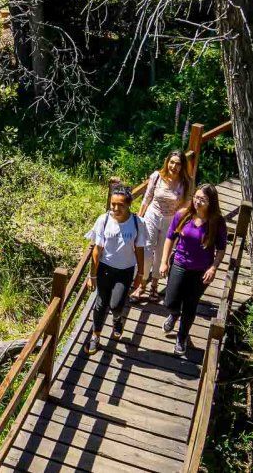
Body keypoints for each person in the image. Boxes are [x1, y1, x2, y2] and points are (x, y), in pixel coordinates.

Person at [160, 183, 227, 356]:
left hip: (201, 270)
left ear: (211, 202)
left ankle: (182, 337)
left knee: (190, 305)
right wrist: (164, 261)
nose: (198, 202)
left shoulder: (217, 222)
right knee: (170, 301)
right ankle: (174, 314)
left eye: (202, 199)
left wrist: (213, 267)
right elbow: (169, 237)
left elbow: (221, 249)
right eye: (196, 197)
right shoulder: (183, 215)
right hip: (180, 263)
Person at [83, 182, 146, 355]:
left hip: (125, 270)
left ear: (128, 205)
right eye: (113, 204)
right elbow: (97, 250)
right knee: (101, 303)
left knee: (116, 305)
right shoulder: (103, 220)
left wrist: (140, 273)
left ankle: (117, 318)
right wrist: (92, 275)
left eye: (120, 205)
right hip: (105, 268)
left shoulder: (137, 223)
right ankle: (96, 336)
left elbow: (139, 249)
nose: (115, 208)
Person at [133, 150, 193, 302]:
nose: (174, 166)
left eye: (178, 164)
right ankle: (141, 284)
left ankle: (154, 286)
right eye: (172, 162)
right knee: (146, 252)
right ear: (167, 162)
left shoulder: (186, 182)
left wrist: (182, 226)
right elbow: (146, 198)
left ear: (182, 166)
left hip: (171, 219)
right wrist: (139, 218)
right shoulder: (157, 176)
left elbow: (186, 206)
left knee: (162, 254)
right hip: (152, 215)